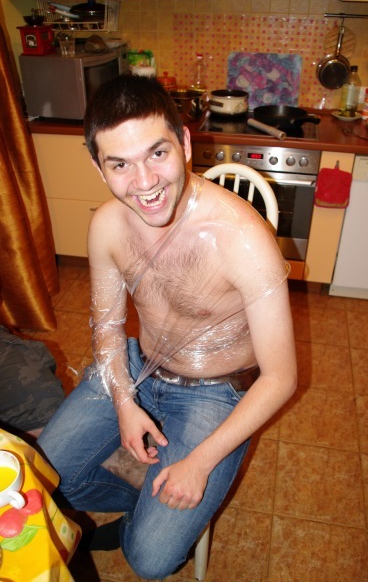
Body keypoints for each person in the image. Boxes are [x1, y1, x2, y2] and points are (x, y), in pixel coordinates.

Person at [37, 74, 297, 579]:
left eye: (157, 153)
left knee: (150, 560)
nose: (145, 182)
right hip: (138, 366)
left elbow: (281, 378)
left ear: (184, 143)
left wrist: (199, 462)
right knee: (44, 477)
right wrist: (123, 401)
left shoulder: (243, 239)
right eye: (120, 164)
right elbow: (108, 326)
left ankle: (151, 520)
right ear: (98, 167)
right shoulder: (107, 225)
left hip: (216, 393)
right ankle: (142, 500)